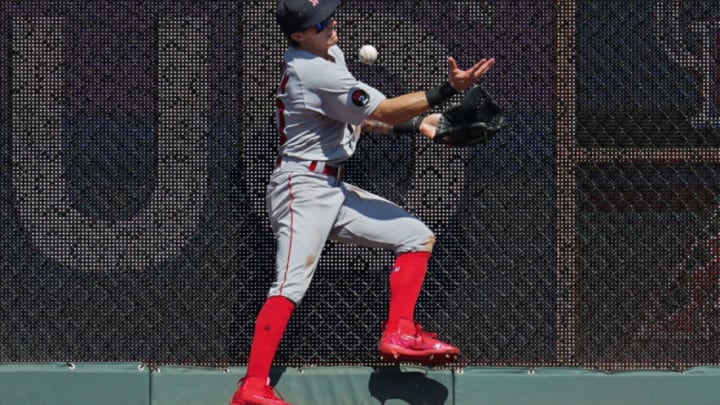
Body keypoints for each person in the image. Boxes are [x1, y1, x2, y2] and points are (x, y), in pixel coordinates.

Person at [230, 0, 495, 403]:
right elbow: (384, 110)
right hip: (301, 188)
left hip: (330, 188)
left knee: (416, 236)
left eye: (329, 15)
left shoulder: (329, 54)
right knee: (289, 285)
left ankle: (400, 330)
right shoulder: (312, 70)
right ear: (299, 35)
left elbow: (361, 118)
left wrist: (417, 124)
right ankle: (252, 388)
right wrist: (447, 91)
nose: (330, 23)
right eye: (319, 23)